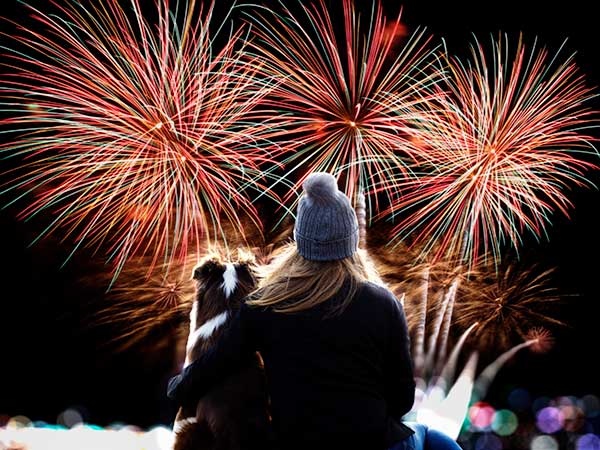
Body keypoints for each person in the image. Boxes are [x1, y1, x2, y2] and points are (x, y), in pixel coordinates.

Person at [167, 172, 459, 450]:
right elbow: (402, 400)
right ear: (351, 240)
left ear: (300, 240)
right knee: (436, 441)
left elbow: (209, 369)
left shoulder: (264, 306)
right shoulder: (383, 303)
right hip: (376, 442)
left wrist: (178, 387)